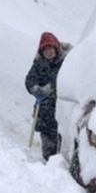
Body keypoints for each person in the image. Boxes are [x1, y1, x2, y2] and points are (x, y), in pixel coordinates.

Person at [25, 32, 72, 161]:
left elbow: (69, 81)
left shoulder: (66, 63)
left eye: (51, 48)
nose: (49, 52)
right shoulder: (39, 64)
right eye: (45, 50)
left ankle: (64, 163)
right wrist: (36, 89)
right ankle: (49, 164)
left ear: (56, 48)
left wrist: (51, 87)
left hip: (63, 107)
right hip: (45, 109)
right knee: (48, 140)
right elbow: (29, 80)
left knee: (64, 138)